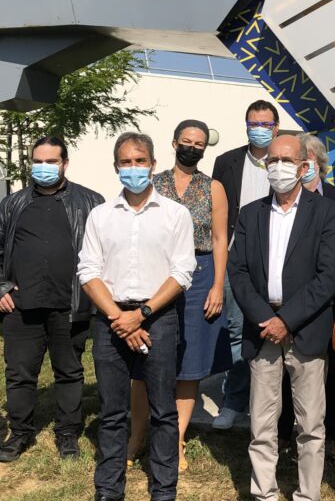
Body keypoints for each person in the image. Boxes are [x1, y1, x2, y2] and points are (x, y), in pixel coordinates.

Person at [77, 132, 197, 501]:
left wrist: (141, 314)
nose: (133, 168)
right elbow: (88, 270)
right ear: (116, 168)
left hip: (158, 317)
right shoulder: (100, 216)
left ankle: (164, 490)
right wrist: (120, 317)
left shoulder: (176, 214)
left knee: (163, 410)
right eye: (126, 162)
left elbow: (182, 272)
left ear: (153, 164)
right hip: (110, 318)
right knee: (112, 413)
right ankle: (109, 490)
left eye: (140, 161)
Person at [229, 134, 335, 501]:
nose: (277, 166)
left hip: (305, 329)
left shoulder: (325, 212)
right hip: (263, 329)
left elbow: (328, 277)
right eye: (272, 160)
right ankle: (265, 493)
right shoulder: (250, 213)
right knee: (262, 423)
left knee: (310, 424)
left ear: (304, 166)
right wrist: (267, 318)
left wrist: (287, 320)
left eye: (286, 159)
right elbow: (239, 272)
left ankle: (308, 495)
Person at [0, 136, 104, 462]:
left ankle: (68, 435)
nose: (44, 167)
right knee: (20, 374)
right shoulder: (14, 203)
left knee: (69, 372)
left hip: (71, 305)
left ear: (65, 163)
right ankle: (20, 433)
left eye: (52, 161)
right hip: (22, 308)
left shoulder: (91, 202)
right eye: (39, 161)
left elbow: (106, 251)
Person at [127, 120, 232, 471]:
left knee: (190, 364)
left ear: (205, 148)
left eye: (198, 143)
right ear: (174, 144)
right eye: (186, 141)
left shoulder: (213, 187)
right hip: (157, 277)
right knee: (146, 360)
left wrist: (218, 285)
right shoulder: (152, 184)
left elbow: (219, 239)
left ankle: (176, 439)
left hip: (201, 277)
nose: (192, 147)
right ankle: (138, 434)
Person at [273, 133, 335, 453]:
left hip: (324, 301)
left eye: (312, 161)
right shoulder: (279, 198)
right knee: (285, 375)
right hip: (284, 304)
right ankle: (284, 431)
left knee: (325, 371)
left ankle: (327, 432)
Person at [210, 100, 280, 429]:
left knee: (273, 330)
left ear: (276, 128)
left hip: (277, 260)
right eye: (254, 123)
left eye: (266, 124)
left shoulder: (285, 160)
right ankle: (234, 400)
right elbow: (217, 214)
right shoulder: (227, 162)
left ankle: (268, 404)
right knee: (236, 331)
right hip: (237, 259)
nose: (259, 130)